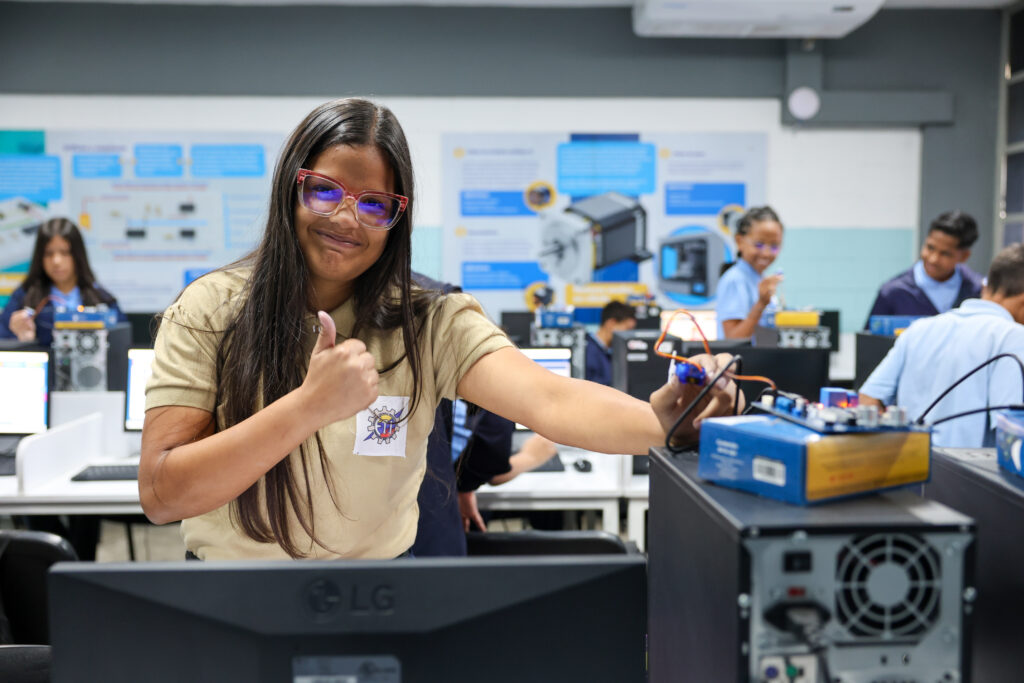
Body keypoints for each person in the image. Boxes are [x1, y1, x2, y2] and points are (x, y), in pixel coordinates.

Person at [139, 98, 740, 561]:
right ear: (289, 190)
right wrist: (308, 407)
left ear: (398, 219)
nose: (348, 218)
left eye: (375, 204)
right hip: (232, 598)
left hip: (382, 598)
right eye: (325, 191)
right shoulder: (212, 309)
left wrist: (664, 424)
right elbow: (164, 495)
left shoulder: (431, 320)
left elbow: (551, 399)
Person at [859, 243, 1024, 448]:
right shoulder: (1015, 338)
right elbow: (1011, 431)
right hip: (972, 476)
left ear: (985, 287)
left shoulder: (919, 329)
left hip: (913, 470)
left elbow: (868, 399)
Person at [0, 217, 123, 346]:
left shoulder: (101, 299)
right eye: (48, 253)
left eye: (65, 253)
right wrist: (24, 340)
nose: (56, 261)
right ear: (40, 257)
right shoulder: (24, 298)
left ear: (78, 255)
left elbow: (121, 343)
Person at [864, 210, 984, 324]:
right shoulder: (894, 293)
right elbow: (870, 343)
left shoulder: (978, 292)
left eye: (945, 253)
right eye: (930, 248)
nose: (933, 259)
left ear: (964, 256)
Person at [715, 206, 784, 339]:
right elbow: (733, 339)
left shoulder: (758, 278)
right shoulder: (735, 280)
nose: (766, 253)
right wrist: (761, 304)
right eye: (759, 244)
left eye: (774, 246)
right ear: (740, 241)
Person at [585, 300, 637, 385]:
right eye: (627, 330)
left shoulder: (611, 352)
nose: (629, 336)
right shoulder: (587, 351)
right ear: (611, 323)